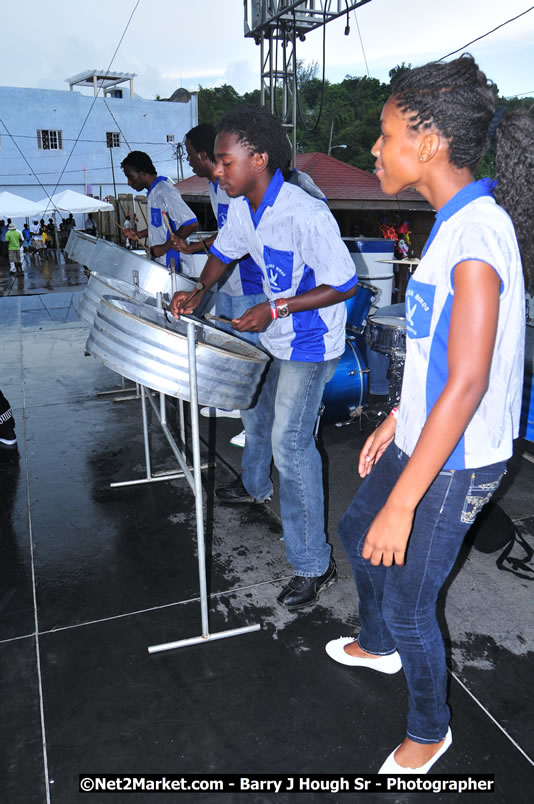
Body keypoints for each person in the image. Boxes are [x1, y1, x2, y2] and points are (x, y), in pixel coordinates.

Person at [326, 55, 532, 774]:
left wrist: (404, 504)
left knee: (414, 600)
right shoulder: (452, 222)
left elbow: (469, 383)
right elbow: (437, 355)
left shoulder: (475, 238)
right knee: (358, 528)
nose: (374, 150)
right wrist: (395, 420)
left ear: (430, 140)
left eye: (384, 135)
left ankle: (429, 728)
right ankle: (377, 646)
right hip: (426, 434)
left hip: (460, 457)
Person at [170, 106, 359, 610]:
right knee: (255, 408)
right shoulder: (242, 209)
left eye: (225, 162)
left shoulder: (304, 212)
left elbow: (344, 282)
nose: (216, 170)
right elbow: (224, 253)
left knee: (290, 443)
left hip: (310, 341)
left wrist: (274, 306)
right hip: (277, 335)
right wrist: (199, 291)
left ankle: (313, 564)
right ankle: (255, 487)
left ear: (258, 159)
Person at [120, 150, 198, 273]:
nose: (129, 183)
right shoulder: (153, 193)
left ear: (143, 173)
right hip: (161, 264)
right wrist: (138, 235)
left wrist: (164, 248)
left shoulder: (165, 191)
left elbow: (191, 223)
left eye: (130, 176)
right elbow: (162, 227)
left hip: (174, 264)